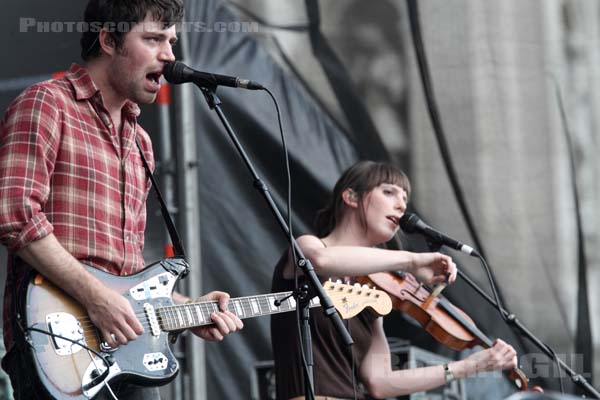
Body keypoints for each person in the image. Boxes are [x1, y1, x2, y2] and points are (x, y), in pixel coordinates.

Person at [0, 1, 243, 399]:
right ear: (108, 39)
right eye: (152, 39)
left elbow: (128, 278)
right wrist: (97, 299)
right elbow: (14, 214)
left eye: (171, 41)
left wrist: (187, 308)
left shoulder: (141, 142)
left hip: (126, 352)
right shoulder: (47, 104)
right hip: (57, 348)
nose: (169, 55)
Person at [271, 161, 518, 399]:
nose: (401, 205)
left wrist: (465, 368)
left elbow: (380, 382)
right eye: (389, 192)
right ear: (351, 197)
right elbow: (321, 260)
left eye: (404, 199)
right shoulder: (309, 246)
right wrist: (411, 261)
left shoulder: (372, 291)